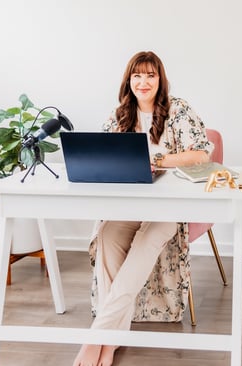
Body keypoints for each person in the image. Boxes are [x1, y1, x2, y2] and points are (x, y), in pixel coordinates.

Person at [73, 51, 214, 366]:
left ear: (160, 79)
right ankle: (112, 338)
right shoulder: (120, 115)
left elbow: (201, 155)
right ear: (129, 81)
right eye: (137, 75)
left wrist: (158, 160)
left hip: (169, 207)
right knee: (108, 235)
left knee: (147, 241)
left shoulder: (178, 110)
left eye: (150, 75)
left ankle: (98, 339)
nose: (143, 81)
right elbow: (103, 155)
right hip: (130, 203)